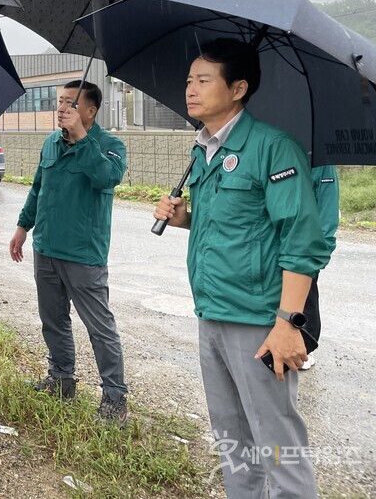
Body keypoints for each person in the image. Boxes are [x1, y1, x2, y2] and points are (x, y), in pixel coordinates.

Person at [153, 38, 331, 498]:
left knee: (277, 443)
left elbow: (300, 239)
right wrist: (183, 217)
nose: (190, 89)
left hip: (258, 321)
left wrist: (289, 323)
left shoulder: (273, 149)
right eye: (189, 80)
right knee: (232, 437)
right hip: (212, 312)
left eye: (203, 80)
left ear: (238, 89)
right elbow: (232, 225)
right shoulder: (203, 150)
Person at [8, 80, 129, 424]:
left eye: (70, 104)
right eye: (59, 102)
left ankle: (115, 397)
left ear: (90, 110)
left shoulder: (109, 145)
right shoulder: (50, 142)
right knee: (53, 319)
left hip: (83, 254)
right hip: (46, 246)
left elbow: (106, 177)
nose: (61, 108)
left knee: (99, 326)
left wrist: (81, 137)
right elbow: (37, 188)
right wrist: (22, 227)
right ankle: (61, 378)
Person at [301, 165, 339, 370]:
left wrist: (320, 252)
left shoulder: (322, 166)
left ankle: (304, 349)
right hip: (269, 248)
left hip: (305, 249)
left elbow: (328, 209)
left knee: (305, 303)